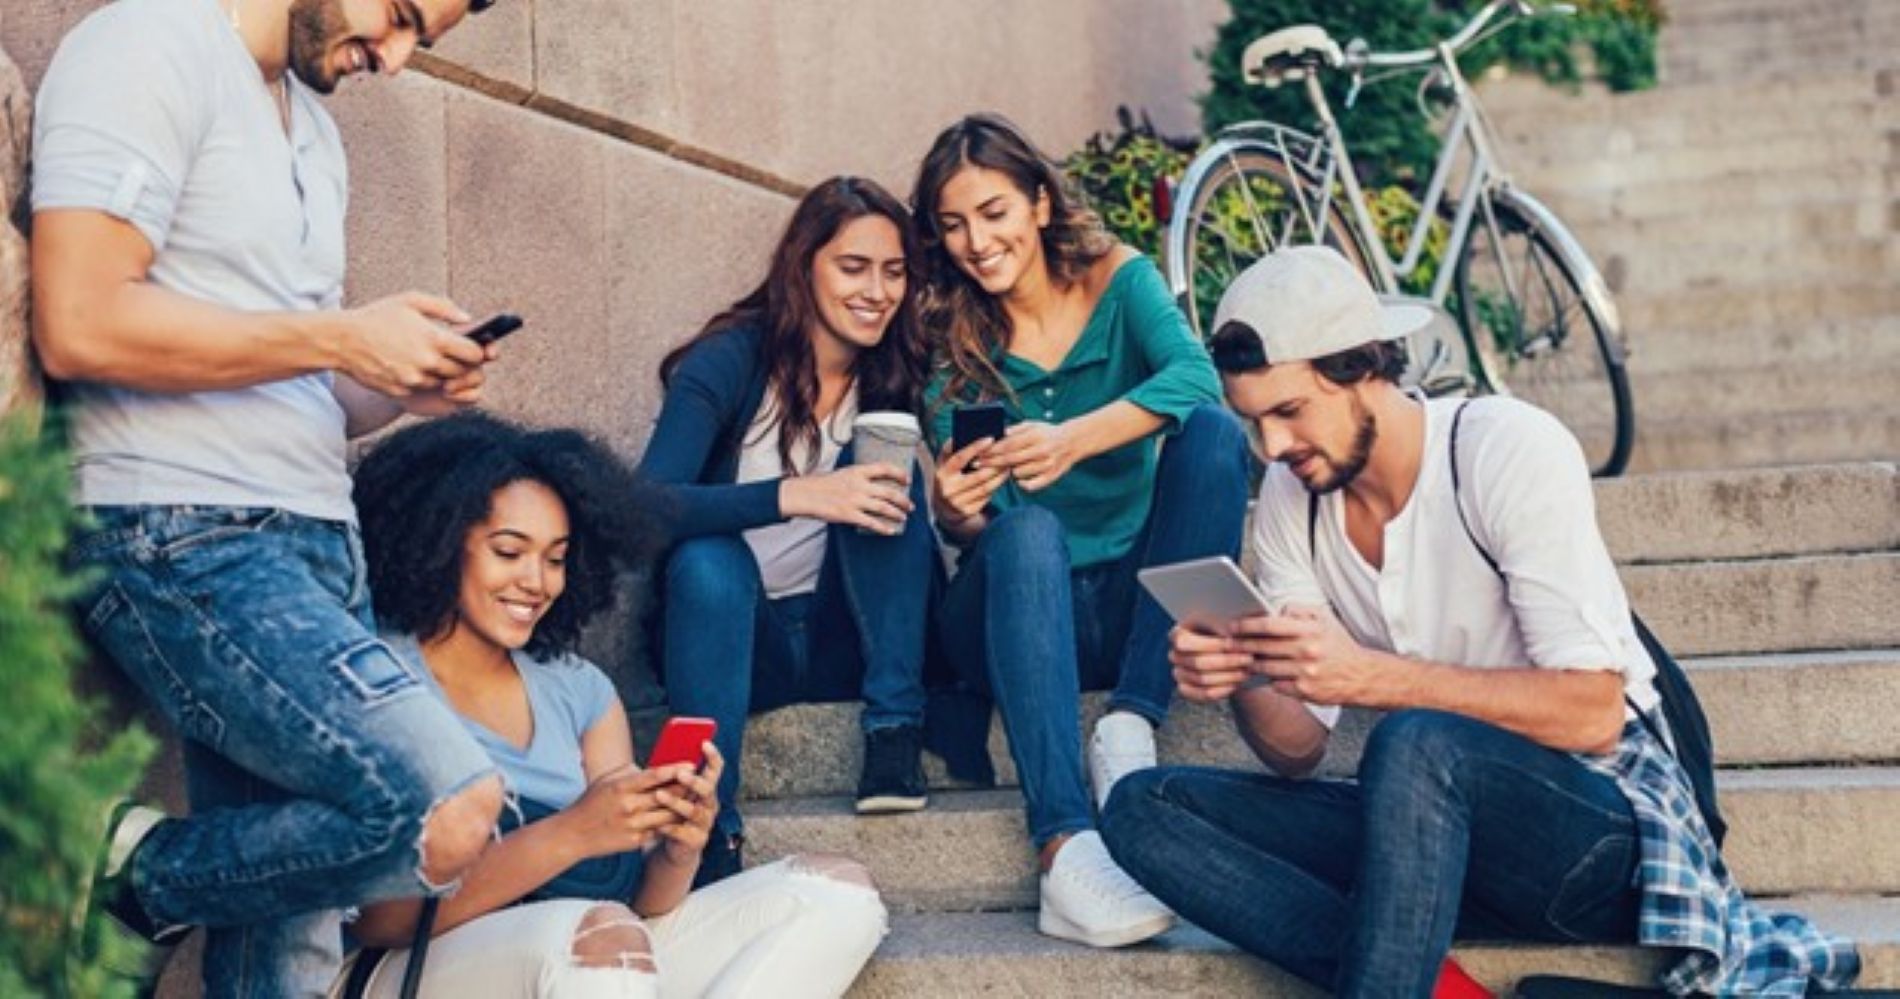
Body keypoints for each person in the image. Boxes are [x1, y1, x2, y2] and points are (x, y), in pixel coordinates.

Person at [1098, 246, 1861, 996]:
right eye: (1253, 421)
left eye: (1290, 412)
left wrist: (1377, 677)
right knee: (1141, 807)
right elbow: (1298, 748)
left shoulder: (1501, 448)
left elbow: (1596, 709)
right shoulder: (1294, 503)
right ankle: (1437, 985)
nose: (1272, 446)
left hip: (1601, 838)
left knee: (1415, 738)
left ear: (1362, 368)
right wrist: (1250, 673)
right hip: (1428, 840)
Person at [31, 0, 511, 993]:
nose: (397, 56)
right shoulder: (147, 46)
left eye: (426, 38)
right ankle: (134, 877)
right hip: (182, 531)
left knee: (288, 954)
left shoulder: (315, 133)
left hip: (315, 545)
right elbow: (80, 321)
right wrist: (341, 335)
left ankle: (140, 887)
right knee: (442, 800)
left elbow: (293, 384)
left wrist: (393, 380)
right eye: (401, 16)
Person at [345, 413, 888, 998]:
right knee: (600, 943)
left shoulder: (579, 689)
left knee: (836, 893)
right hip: (413, 968)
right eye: (509, 552)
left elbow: (641, 904)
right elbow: (382, 919)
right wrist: (572, 833)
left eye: (556, 559)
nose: (537, 582)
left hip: (588, 958)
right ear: (437, 545)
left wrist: (678, 850)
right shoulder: (376, 679)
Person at [910, 112, 1250, 949]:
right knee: (1024, 538)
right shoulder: (951, 338)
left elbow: (1198, 375)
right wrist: (955, 515)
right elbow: (980, 526)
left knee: (1212, 435)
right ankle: (1063, 842)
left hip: (1133, 606)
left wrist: (1072, 438)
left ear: (1037, 201)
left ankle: (1131, 719)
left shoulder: (1117, 279)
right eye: (953, 225)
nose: (976, 242)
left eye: (993, 213)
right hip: (1024, 621)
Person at [638, 176, 937, 885]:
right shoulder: (731, 360)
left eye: (894, 272)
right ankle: (712, 827)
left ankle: (894, 731)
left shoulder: (892, 375)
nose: (877, 290)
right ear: (804, 266)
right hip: (742, 645)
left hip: (843, 642)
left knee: (891, 472)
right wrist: (800, 495)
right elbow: (644, 508)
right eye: (853, 266)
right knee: (707, 559)